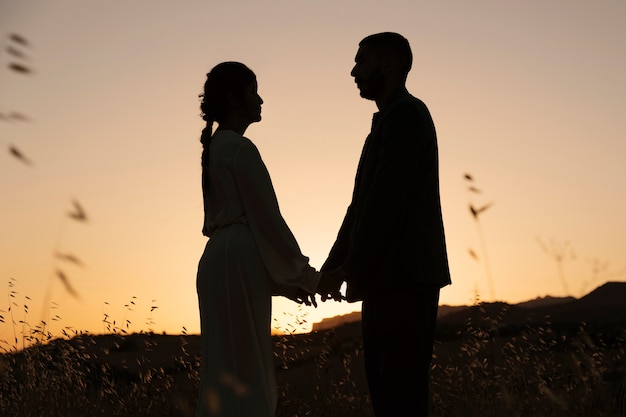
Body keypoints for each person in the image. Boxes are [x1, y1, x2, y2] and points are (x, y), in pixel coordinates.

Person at [317, 32, 452, 416]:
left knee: (400, 398)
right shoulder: (385, 123)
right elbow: (360, 206)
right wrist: (332, 267)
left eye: (361, 61)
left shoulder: (407, 115)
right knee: (388, 397)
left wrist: (352, 266)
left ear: (389, 64)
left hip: (406, 280)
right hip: (385, 281)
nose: (353, 71)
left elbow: (386, 201)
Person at [195, 61, 319, 417]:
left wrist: (284, 281)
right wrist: (305, 276)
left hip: (219, 261)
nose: (260, 100)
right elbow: (267, 223)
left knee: (225, 367)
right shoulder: (238, 149)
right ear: (236, 100)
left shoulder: (215, 149)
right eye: (253, 92)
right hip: (235, 261)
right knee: (246, 367)